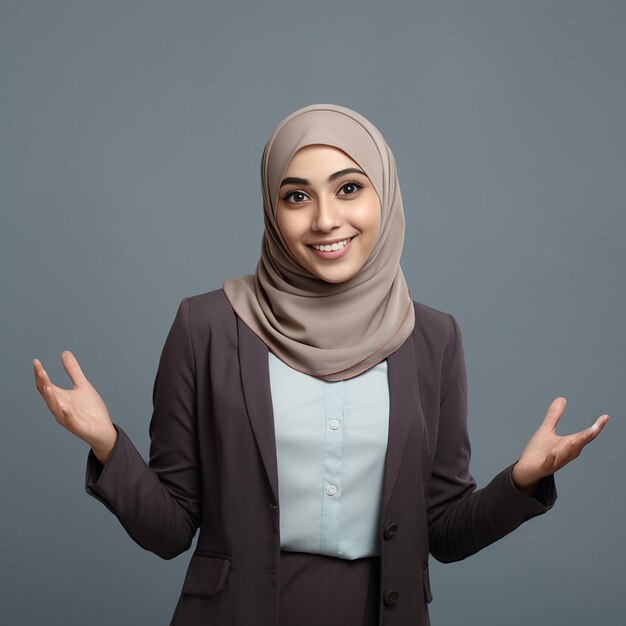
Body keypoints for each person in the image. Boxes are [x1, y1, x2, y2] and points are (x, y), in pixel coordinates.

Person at [32, 103, 608, 626]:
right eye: (297, 196)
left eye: (349, 188)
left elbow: (445, 531)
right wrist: (108, 443)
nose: (326, 220)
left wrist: (521, 483)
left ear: (384, 192)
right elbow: (170, 529)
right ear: (271, 208)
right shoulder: (205, 326)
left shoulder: (433, 337)